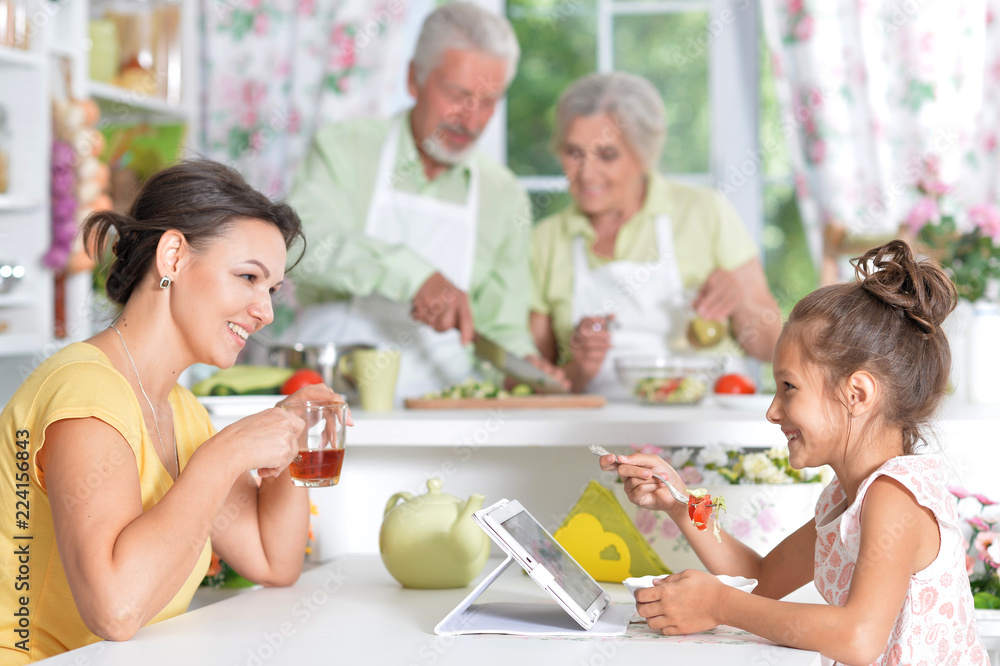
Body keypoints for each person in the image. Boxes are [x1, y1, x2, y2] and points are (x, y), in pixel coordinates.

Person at [0, 160, 350, 662]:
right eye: (248, 277)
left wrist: (292, 429)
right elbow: (115, 611)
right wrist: (224, 455)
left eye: (270, 290)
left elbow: (275, 561)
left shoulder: (180, 410)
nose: (265, 311)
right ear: (173, 257)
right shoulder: (86, 398)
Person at [599, 240, 989, 664]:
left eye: (788, 387)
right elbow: (761, 579)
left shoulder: (894, 498)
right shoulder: (843, 500)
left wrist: (719, 604)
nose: (772, 410)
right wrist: (681, 503)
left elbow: (858, 639)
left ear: (856, 393)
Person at [286, 2, 561, 400]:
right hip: (330, 399)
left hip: (444, 413)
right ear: (414, 78)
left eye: (488, 101)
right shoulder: (345, 149)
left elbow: (502, 327)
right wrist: (412, 276)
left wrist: (520, 365)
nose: (472, 120)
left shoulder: (505, 196)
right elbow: (299, 246)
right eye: (459, 94)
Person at [531, 72, 782, 395]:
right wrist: (578, 369)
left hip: (707, 425)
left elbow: (770, 349)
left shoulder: (704, 212)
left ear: (644, 155)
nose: (587, 173)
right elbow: (532, 383)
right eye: (574, 152)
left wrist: (741, 302)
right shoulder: (547, 240)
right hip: (597, 434)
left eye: (607, 155)